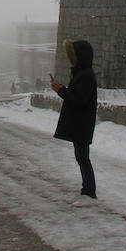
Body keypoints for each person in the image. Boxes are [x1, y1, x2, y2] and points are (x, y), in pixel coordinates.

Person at [51, 38, 98, 205]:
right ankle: (87, 189)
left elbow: (79, 99)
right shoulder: (83, 73)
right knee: (82, 157)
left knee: (83, 157)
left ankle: (89, 192)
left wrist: (61, 90)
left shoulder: (85, 76)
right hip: (81, 122)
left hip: (82, 123)